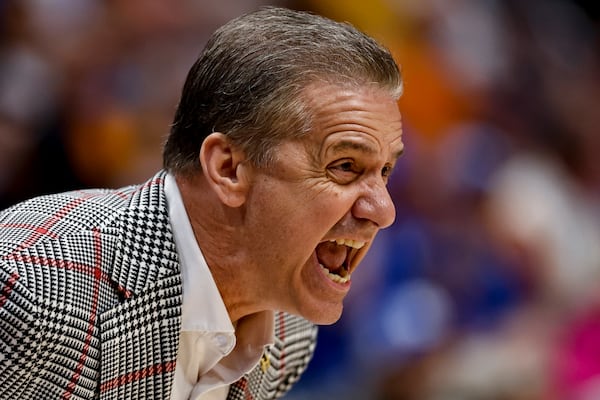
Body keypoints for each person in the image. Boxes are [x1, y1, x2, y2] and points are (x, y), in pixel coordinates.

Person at [0, 6, 404, 400]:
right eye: (346, 165)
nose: (384, 210)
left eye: (384, 171)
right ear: (229, 169)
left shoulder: (287, 334)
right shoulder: (32, 298)